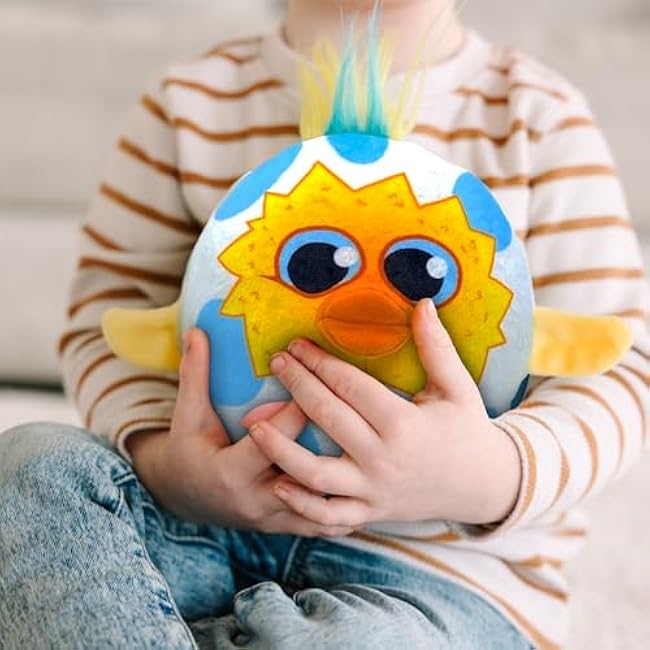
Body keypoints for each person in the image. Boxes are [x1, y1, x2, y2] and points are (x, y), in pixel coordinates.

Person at [0, 0, 648, 648]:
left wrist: (481, 473)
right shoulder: (187, 103)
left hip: (436, 583)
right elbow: (105, 319)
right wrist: (171, 468)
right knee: (31, 469)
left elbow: (621, 372)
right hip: (197, 537)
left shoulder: (539, 116)